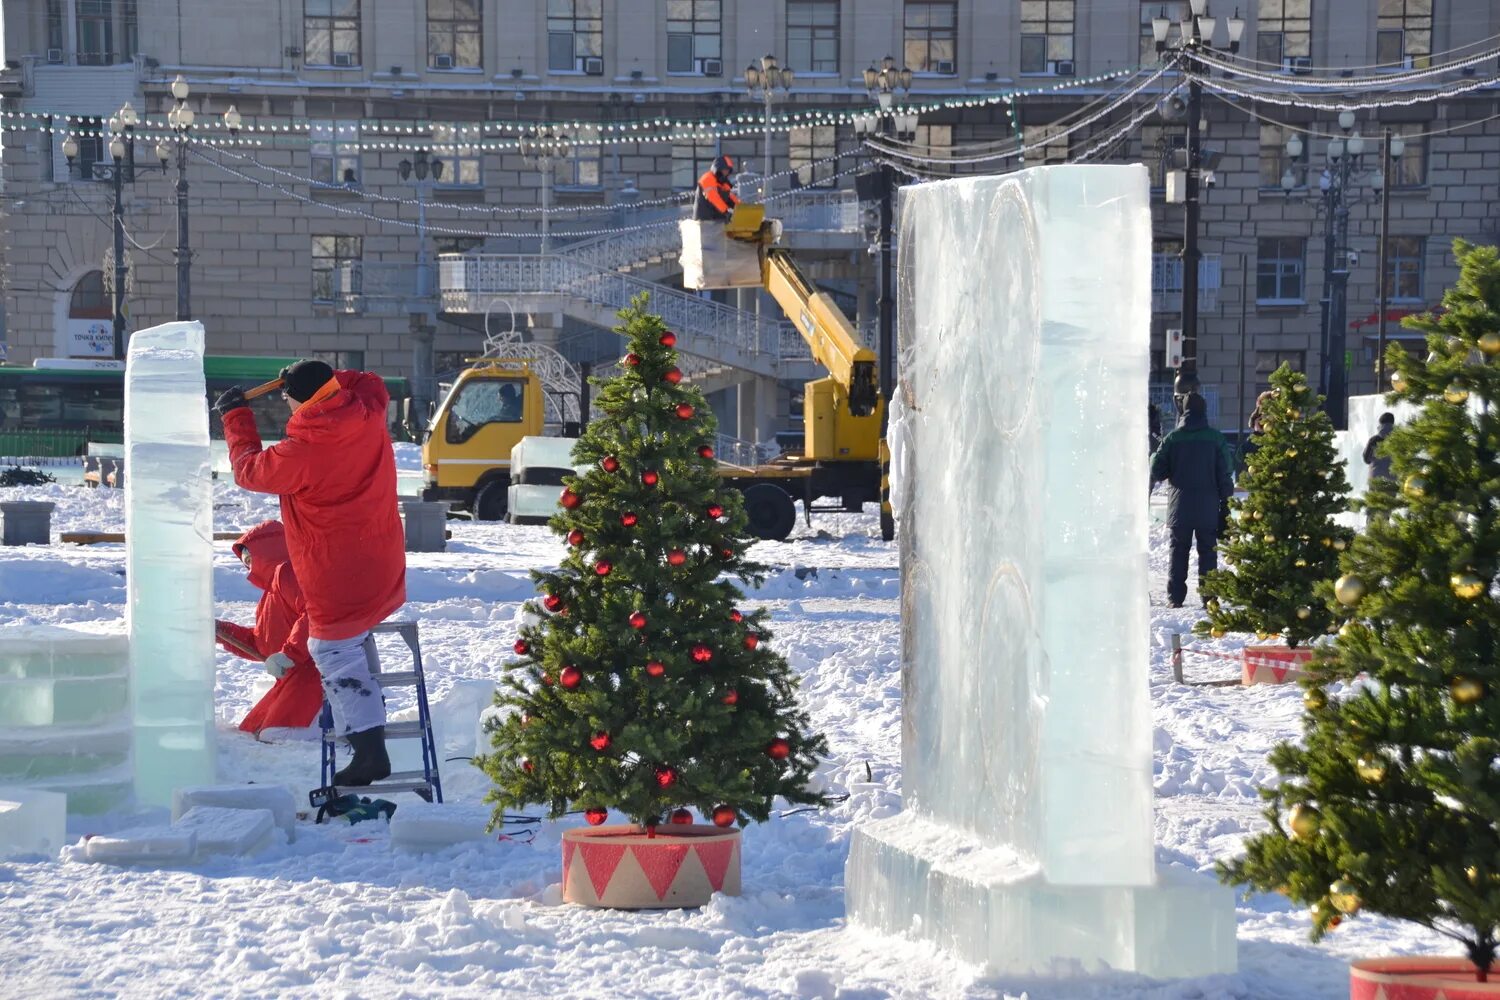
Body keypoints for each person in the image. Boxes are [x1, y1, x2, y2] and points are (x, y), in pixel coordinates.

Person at [214, 359, 407, 786]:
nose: (284, 404)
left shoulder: (306, 448)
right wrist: (319, 371)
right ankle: (366, 732)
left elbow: (248, 471)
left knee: (331, 650)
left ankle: (370, 751)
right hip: (383, 559)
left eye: (286, 396)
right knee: (353, 641)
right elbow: (370, 378)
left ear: (297, 399)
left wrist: (235, 416)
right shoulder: (368, 408)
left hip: (340, 571)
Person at [215, 520, 322, 739]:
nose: (248, 566)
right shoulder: (271, 592)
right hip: (292, 675)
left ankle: (331, 724)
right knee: (250, 729)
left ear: (267, 551)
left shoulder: (289, 572)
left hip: (312, 673)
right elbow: (261, 644)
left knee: (275, 734)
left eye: (249, 558)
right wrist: (219, 630)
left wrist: (289, 654)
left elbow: (312, 613)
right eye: (245, 561)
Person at [1150, 393, 1235, 609]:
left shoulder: (1172, 439)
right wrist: (1226, 504)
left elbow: (1157, 470)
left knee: (1178, 552)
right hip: (1208, 506)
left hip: (1180, 506)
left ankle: (1175, 597)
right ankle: (1209, 598)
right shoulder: (1216, 438)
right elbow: (1226, 473)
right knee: (1208, 552)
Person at [693, 154, 740, 222]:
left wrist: (741, 208)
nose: (726, 172)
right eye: (724, 170)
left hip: (717, 220)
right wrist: (725, 212)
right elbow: (713, 197)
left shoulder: (723, 183)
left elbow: (731, 198)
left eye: (728, 170)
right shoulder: (708, 178)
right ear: (717, 169)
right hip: (705, 221)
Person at [1363, 411, 1396, 482]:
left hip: (1376, 478)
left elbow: (1366, 459)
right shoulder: (1398, 439)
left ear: (1380, 424)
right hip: (1392, 480)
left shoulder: (1374, 440)